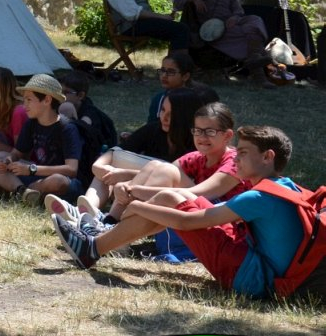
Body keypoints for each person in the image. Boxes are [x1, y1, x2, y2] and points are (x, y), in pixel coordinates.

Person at [52, 126, 322, 301]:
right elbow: (206, 209)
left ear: (267, 157)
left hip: (250, 278)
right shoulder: (284, 186)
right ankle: (101, 239)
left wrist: (135, 205)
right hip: (253, 259)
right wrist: (145, 199)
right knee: (172, 197)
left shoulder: (259, 197)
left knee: (170, 205)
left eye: (243, 153)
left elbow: (186, 222)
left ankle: (92, 247)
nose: (235, 158)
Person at [62, 102, 243, 224]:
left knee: (164, 170)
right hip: (193, 211)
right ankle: (109, 220)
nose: (202, 137)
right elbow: (157, 171)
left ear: (227, 136)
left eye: (210, 132)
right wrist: (127, 183)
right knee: (155, 166)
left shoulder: (235, 162)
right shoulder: (196, 157)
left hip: (216, 219)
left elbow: (198, 193)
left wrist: (132, 189)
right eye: (198, 131)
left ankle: (110, 223)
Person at [0, 74, 80, 206]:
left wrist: (32, 169)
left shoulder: (67, 128)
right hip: (35, 175)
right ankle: (23, 192)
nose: (24, 105)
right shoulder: (31, 123)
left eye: (29, 100)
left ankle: (12, 190)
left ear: (47, 100)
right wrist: (8, 161)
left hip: (59, 180)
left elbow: (71, 170)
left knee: (58, 181)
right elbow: (17, 153)